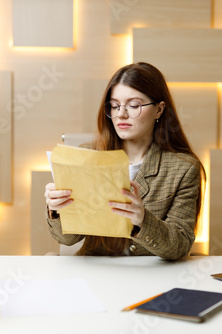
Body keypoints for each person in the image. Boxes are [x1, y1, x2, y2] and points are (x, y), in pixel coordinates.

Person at [44, 62, 205, 260]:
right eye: (114, 105)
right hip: (97, 273)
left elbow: (179, 246)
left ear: (159, 110)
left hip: (152, 276)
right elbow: (67, 239)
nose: (121, 114)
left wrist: (143, 220)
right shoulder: (88, 155)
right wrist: (56, 210)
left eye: (134, 105)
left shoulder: (183, 168)